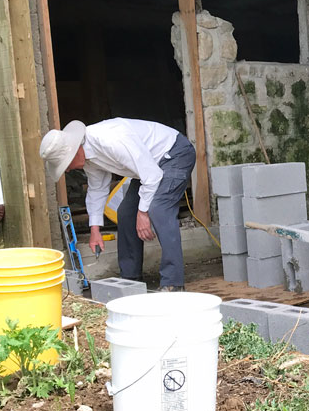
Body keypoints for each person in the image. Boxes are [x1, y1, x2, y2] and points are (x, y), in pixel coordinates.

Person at [40, 118, 196, 291]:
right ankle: (130, 281)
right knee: (126, 213)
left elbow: (152, 176)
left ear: (75, 151)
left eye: (65, 165)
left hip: (174, 154)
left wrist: (143, 213)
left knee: (159, 209)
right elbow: (97, 189)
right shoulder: (89, 158)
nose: (68, 170)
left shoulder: (111, 141)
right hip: (147, 168)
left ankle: (173, 283)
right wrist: (95, 230)